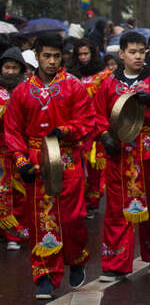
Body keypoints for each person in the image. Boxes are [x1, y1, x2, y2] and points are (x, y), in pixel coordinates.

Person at [4, 33, 94, 299]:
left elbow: (87, 120)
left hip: (67, 159)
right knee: (41, 220)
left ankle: (76, 258)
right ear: (37, 55)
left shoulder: (74, 86)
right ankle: (45, 276)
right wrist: (21, 162)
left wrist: (65, 130)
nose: (52, 61)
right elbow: (12, 131)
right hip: (36, 160)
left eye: (57, 56)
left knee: (72, 219)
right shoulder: (21, 91)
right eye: (47, 56)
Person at [92, 32, 150, 281]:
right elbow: (97, 114)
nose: (138, 56)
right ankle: (115, 261)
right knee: (116, 209)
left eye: (142, 51)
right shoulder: (108, 83)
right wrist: (105, 136)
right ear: (122, 55)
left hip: (149, 151)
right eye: (133, 52)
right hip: (119, 153)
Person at [69, 38, 112, 218]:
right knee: (76, 169)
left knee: (94, 169)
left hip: (96, 129)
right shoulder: (70, 76)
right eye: (80, 54)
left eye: (86, 53)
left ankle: (92, 202)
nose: (83, 57)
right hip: (76, 130)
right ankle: (77, 203)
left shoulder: (104, 76)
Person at [0, 47, 30, 251]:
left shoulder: (26, 90)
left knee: (21, 193)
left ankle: (16, 234)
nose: (10, 71)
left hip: (21, 149)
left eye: (14, 67)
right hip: (0, 151)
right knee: (2, 193)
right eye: (6, 67)